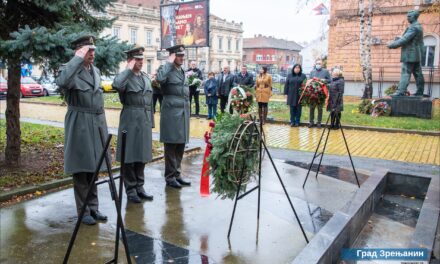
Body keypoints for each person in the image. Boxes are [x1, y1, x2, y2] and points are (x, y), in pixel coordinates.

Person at [56, 35, 108, 225]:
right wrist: (76, 59)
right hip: (79, 123)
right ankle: (83, 210)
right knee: (81, 168)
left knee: (93, 167)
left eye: (93, 50)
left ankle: (93, 208)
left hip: (96, 122)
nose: (92, 53)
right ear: (79, 51)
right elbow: (62, 82)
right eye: (88, 50)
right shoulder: (69, 70)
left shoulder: (95, 70)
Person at [112, 47, 155, 203]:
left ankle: (139, 186)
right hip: (130, 119)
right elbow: (116, 84)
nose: (140, 62)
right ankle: (130, 189)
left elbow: (149, 102)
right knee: (129, 155)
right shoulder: (124, 77)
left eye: (142, 59)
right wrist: (128, 70)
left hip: (143, 120)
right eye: (137, 59)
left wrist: (151, 122)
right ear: (130, 61)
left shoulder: (145, 77)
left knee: (141, 155)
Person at [156, 44, 191, 189]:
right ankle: (170, 177)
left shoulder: (182, 71)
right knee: (171, 145)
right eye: (179, 55)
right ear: (172, 56)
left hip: (183, 112)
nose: (182, 58)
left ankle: (177, 174)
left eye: (183, 55)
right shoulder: (166, 69)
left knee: (180, 144)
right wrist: (168, 63)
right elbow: (159, 79)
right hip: (171, 113)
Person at [387, 10, 425, 96]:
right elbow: (409, 39)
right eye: (407, 16)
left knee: (405, 72)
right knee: (418, 73)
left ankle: (400, 91)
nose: (407, 18)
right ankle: (420, 91)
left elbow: (405, 40)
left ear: (414, 17)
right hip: (416, 54)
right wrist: (399, 38)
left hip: (410, 54)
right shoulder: (418, 26)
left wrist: (392, 45)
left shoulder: (414, 27)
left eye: (409, 16)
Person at [308, 58, 331, 128]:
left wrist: (324, 80)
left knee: (320, 108)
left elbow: (330, 80)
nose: (318, 65)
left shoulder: (326, 71)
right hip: (313, 93)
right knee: (311, 108)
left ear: (322, 64)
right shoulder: (312, 72)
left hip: (321, 93)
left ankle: (319, 123)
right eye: (317, 63)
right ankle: (311, 122)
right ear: (315, 64)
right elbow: (309, 80)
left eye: (319, 63)